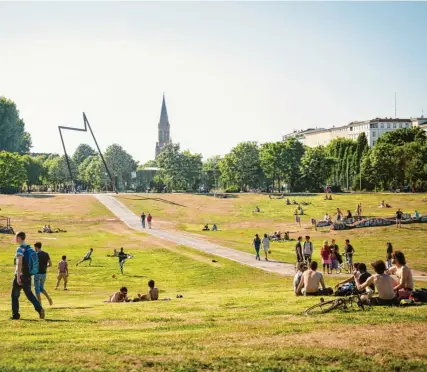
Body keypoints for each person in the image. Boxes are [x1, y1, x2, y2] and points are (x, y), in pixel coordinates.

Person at [10, 232, 45, 320]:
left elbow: (19, 263)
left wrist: (18, 277)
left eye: (16, 237)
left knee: (14, 295)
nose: (15, 239)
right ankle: (40, 309)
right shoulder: (29, 248)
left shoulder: (20, 249)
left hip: (21, 275)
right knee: (29, 294)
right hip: (28, 275)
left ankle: (15, 315)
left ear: (19, 238)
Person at [34, 242, 53, 306]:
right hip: (44, 274)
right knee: (41, 288)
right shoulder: (46, 254)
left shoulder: (35, 254)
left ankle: (40, 305)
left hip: (37, 274)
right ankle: (49, 298)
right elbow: (50, 264)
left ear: (36, 247)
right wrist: (45, 266)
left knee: (37, 289)